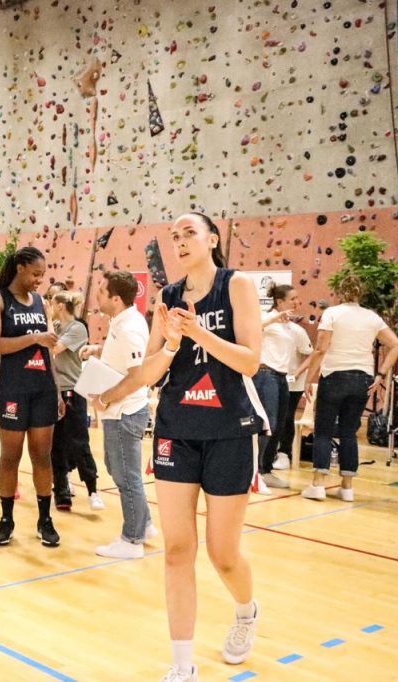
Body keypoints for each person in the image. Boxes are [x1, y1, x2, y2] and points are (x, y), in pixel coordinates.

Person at [133, 213, 267, 682]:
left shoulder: (237, 287)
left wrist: (198, 333)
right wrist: (170, 344)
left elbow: (251, 362)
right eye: (175, 236)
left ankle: (247, 611)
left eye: (190, 232)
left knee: (222, 553)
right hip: (176, 428)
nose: (181, 241)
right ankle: (182, 664)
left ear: (212, 239)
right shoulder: (167, 298)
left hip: (229, 429)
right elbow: (149, 373)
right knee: (176, 550)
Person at [0, 246, 60, 548]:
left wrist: (56, 390)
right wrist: (34, 338)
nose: (40, 280)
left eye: (43, 274)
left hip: (42, 389)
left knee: (42, 456)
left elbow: (48, 348)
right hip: (11, 389)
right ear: (21, 268)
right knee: (10, 457)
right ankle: (6, 519)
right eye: (37, 273)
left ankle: (45, 518)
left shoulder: (41, 302)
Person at [301, 274, 398, 501]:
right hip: (362, 378)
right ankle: (347, 488)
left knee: (323, 431)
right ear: (360, 293)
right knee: (349, 433)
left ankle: (318, 484)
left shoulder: (332, 314)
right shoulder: (372, 317)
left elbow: (321, 349)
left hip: (334, 375)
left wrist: (308, 377)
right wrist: (381, 373)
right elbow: (395, 344)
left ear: (339, 292)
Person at [87, 271, 157, 559]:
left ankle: (131, 540)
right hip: (117, 412)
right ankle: (145, 523)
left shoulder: (129, 328)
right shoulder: (123, 320)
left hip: (124, 412)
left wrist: (104, 398)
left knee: (127, 476)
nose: (97, 295)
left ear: (116, 299)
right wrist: (99, 349)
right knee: (117, 468)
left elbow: (138, 376)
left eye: (102, 291)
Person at [46, 288, 102, 512]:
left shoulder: (77, 328)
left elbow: (53, 349)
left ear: (59, 306)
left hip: (72, 391)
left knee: (78, 441)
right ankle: (61, 492)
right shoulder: (56, 327)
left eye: (52, 304)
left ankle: (93, 490)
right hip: (53, 390)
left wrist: (47, 328)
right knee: (56, 444)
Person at [251, 283, 304, 491]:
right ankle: (253, 472)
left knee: (279, 425)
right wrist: (275, 317)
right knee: (267, 423)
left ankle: (265, 470)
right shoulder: (267, 318)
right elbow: (253, 327)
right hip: (265, 375)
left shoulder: (290, 327)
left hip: (282, 378)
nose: (296, 302)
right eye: (292, 299)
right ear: (280, 302)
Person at [275, 319, 313, 468]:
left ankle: (284, 453)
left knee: (286, 416)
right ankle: (267, 454)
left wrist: (297, 373)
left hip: (292, 382)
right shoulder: (265, 324)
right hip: (270, 378)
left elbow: (311, 355)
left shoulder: (297, 331)